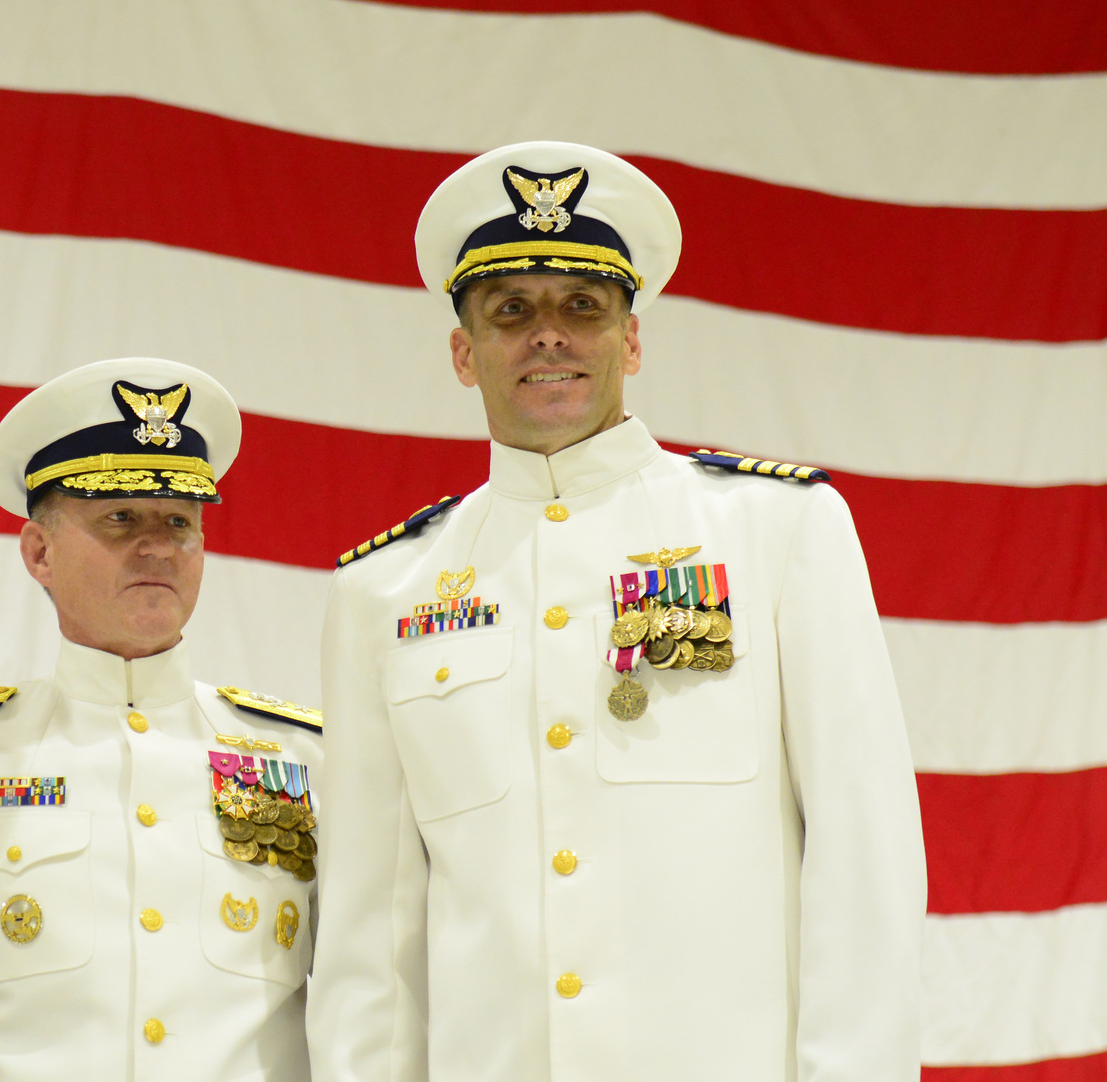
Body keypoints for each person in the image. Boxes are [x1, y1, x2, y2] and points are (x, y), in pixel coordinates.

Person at [307, 141, 925, 1082]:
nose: (547, 334)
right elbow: (369, 940)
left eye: (582, 307)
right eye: (510, 310)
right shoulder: (383, 594)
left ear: (631, 340)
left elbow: (864, 861)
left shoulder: (777, 529)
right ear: (463, 353)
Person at [0, 358, 323, 1081]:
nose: (156, 545)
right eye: (119, 517)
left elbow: (367, 1001)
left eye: (179, 521)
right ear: (39, 552)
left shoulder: (306, 760)